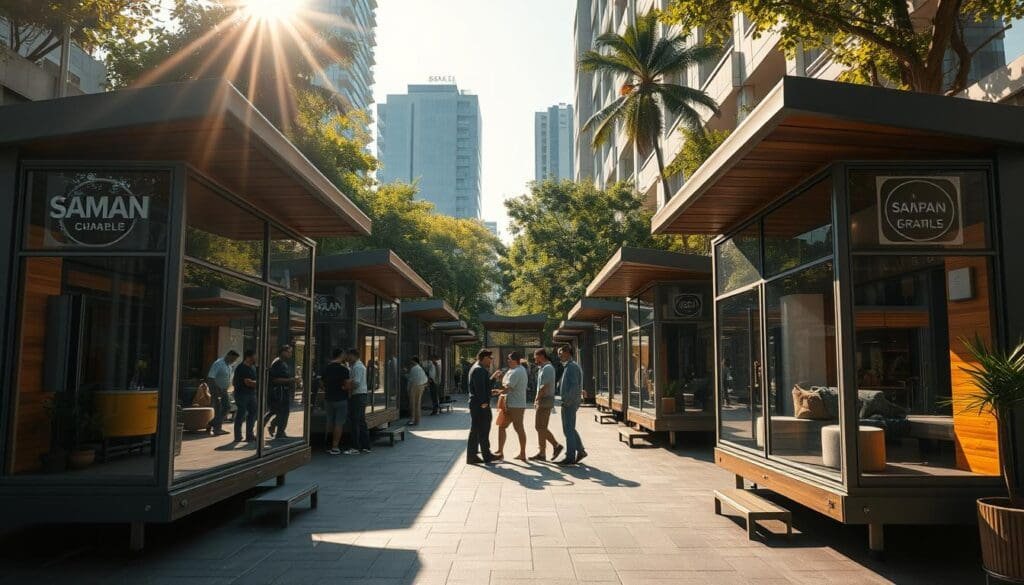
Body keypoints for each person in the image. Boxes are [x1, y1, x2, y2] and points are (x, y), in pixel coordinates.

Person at [493, 351, 529, 462]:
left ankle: (523, 453)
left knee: (519, 428)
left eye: (509, 359)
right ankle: (500, 451)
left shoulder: (518, 371)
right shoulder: (512, 370)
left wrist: (497, 392)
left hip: (516, 405)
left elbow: (508, 388)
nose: (507, 360)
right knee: (502, 426)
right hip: (508, 404)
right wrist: (501, 380)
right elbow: (506, 384)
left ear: (515, 360)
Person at [530, 348, 563, 461]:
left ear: (542, 356)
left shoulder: (548, 368)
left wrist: (537, 399)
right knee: (540, 427)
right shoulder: (543, 368)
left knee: (540, 427)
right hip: (543, 399)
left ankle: (555, 446)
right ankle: (542, 453)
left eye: (536, 357)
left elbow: (544, 387)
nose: (535, 359)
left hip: (545, 400)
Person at [556, 345, 587, 465]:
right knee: (569, 429)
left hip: (570, 402)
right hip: (570, 401)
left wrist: (567, 401)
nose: (559, 356)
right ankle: (580, 451)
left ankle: (570, 456)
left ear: (567, 353)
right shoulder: (570, 366)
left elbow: (574, 386)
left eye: (561, 353)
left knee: (568, 430)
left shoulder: (572, 367)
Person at [466, 349, 496, 464]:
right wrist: (484, 402)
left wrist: (492, 379)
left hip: (477, 404)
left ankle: (481, 455)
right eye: (490, 358)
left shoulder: (478, 368)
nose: (491, 361)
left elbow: (484, 386)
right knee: (481, 430)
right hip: (480, 405)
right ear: (484, 358)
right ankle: (481, 456)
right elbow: (480, 389)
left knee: (479, 430)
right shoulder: (479, 369)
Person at [322, 348, 351, 455]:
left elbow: (322, 382)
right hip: (341, 399)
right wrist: (344, 388)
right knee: (339, 423)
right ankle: (335, 446)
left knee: (330, 422)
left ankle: (327, 444)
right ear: (341, 355)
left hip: (328, 398)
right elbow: (347, 385)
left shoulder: (326, 368)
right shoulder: (344, 369)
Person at [266, 345, 297, 440]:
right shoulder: (278, 363)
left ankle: (278, 429)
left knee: (282, 412)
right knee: (282, 412)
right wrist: (291, 380)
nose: (290, 354)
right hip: (279, 392)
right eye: (289, 351)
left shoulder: (282, 362)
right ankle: (279, 431)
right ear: (283, 352)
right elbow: (275, 380)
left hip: (283, 391)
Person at [344, 348, 371, 454]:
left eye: (349, 355)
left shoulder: (358, 367)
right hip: (360, 396)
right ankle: (365, 446)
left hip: (358, 396)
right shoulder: (355, 366)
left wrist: (346, 387)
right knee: (360, 421)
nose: (347, 358)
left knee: (355, 421)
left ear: (354, 355)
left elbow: (356, 383)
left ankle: (355, 447)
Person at [206, 350, 238, 436]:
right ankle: (217, 429)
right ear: (228, 355)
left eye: (235, 360)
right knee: (219, 408)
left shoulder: (229, 366)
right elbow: (210, 377)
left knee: (227, 407)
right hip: (217, 389)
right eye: (233, 359)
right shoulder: (218, 363)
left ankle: (212, 423)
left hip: (224, 390)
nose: (234, 361)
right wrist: (215, 390)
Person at [232, 349, 259, 443]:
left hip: (251, 394)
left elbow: (253, 382)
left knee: (253, 413)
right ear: (248, 357)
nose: (256, 358)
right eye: (254, 356)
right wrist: (259, 383)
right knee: (241, 414)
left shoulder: (253, 367)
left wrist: (255, 383)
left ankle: (250, 435)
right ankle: (238, 436)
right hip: (241, 394)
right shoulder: (241, 368)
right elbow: (248, 382)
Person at [406, 356, 429, 426]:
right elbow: (425, 379)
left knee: (413, 403)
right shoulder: (420, 368)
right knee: (417, 404)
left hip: (415, 386)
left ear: (413, 361)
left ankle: (412, 419)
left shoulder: (414, 369)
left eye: (411, 361)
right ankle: (417, 420)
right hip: (421, 386)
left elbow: (411, 379)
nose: (410, 363)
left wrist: (405, 374)